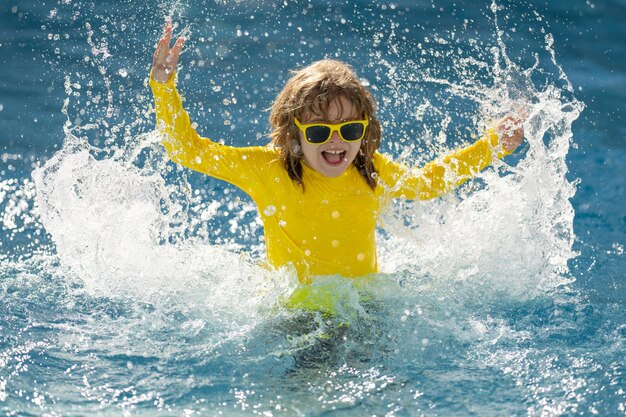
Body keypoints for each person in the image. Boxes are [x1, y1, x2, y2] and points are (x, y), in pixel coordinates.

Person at [150, 21, 524, 285]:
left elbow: (427, 183)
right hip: (296, 313)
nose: (336, 142)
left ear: (366, 132)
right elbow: (188, 151)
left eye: (349, 130)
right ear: (292, 134)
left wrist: (491, 146)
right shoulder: (268, 170)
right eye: (318, 131)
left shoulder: (370, 171)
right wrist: (164, 88)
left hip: (362, 306)